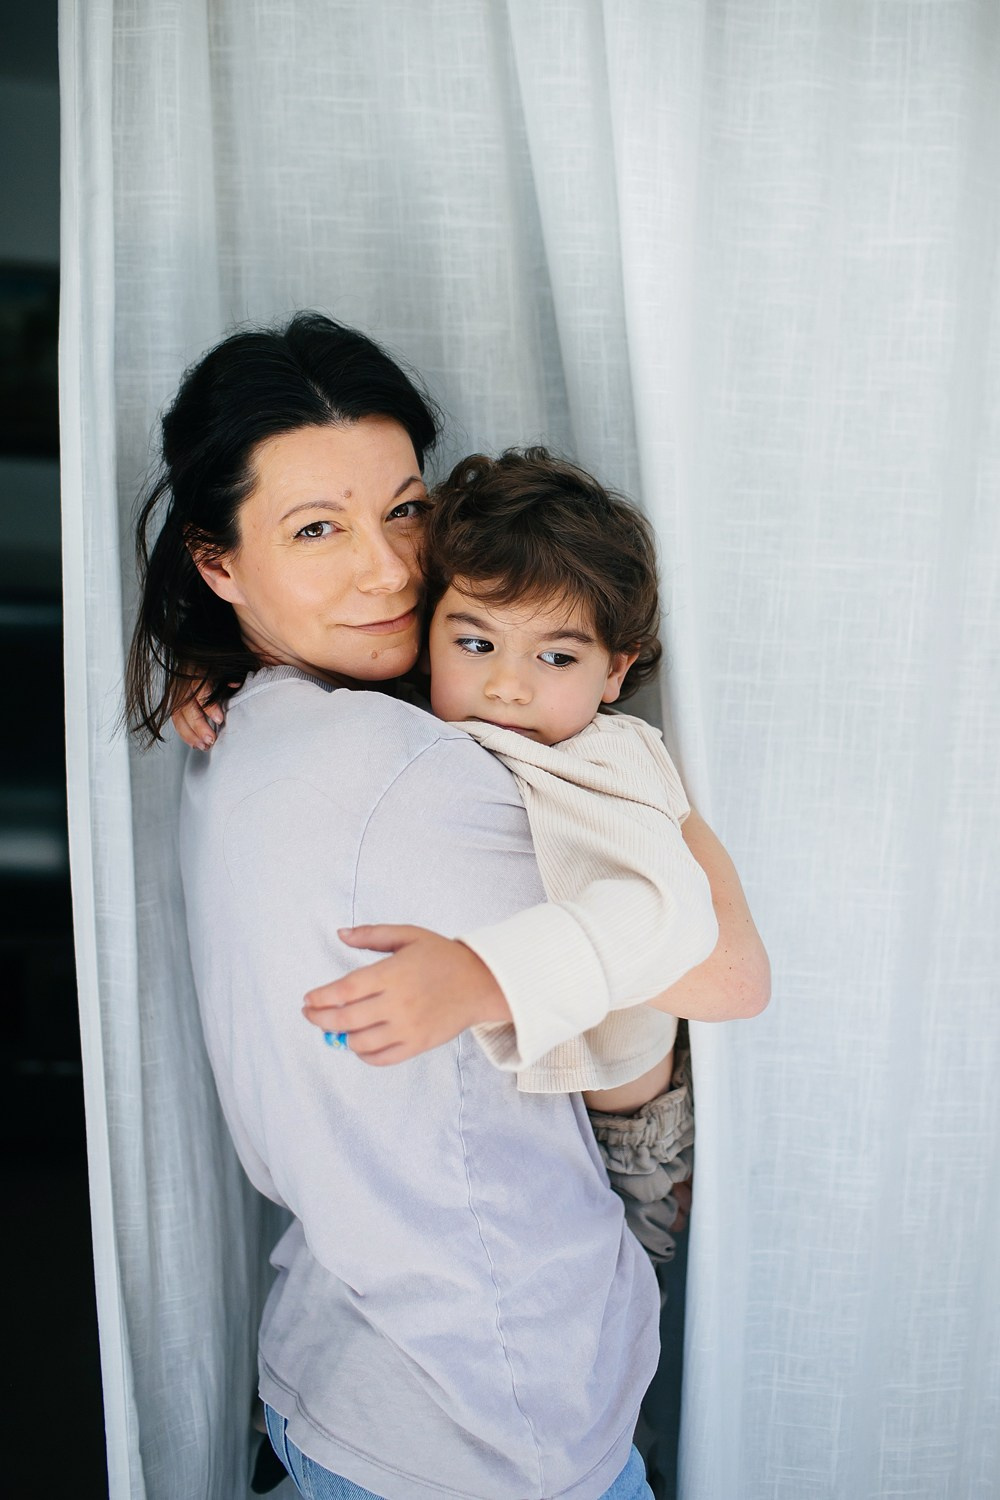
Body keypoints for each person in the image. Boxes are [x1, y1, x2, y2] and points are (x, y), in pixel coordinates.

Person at [130, 311, 769, 1500]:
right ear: (217, 564)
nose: (386, 569)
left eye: (406, 511)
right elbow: (728, 969)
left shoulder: (246, 723)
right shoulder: (414, 770)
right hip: (481, 1419)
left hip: (347, 1361)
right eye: (316, 529)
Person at [302, 446, 714, 1266]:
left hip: (628, 1132)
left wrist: (482, 976)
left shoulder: (610, 759)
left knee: (601, 1332)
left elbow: (669, 913)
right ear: (428, 642)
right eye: (476, 644)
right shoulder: (434, 724)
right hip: (525, 1112)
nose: (509, 687)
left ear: (615, 671)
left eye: (556, 657)